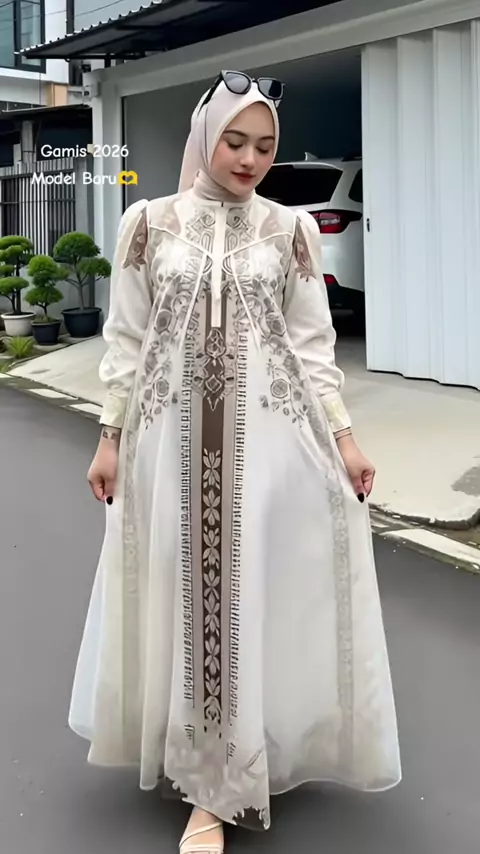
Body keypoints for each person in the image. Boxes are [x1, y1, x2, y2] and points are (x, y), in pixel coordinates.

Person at [69, 71, 401, 853]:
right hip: (168, 452)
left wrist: (345, 440)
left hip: (268, 452)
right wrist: (110, 437)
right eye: (235, 141)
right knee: (188, 603)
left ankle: (221, 785)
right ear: (205, 136)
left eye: (264, 146)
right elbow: (127, 341)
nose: (250, 159)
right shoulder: (149, 223)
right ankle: (200, 770)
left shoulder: (291, 230)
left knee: (242, 601)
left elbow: (312, 350)